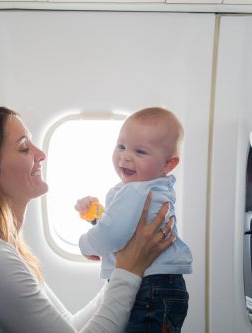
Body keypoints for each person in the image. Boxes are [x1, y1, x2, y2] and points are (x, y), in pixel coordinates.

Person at [0, 106, 176, 333]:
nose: (41, 154)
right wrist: (128, 270)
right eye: (24, 147)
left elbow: (69, 325)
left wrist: (125, 265)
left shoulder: (3, 248)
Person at [75, 106, 193, 333]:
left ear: (168, 164)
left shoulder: (135, 191)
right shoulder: (151, 187)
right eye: (121, 146)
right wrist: (96, 217)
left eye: (140, 152)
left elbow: (112, 235)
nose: (125, 156)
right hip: (163, 287)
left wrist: (85, 244)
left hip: (149, 288)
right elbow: (125, 228)